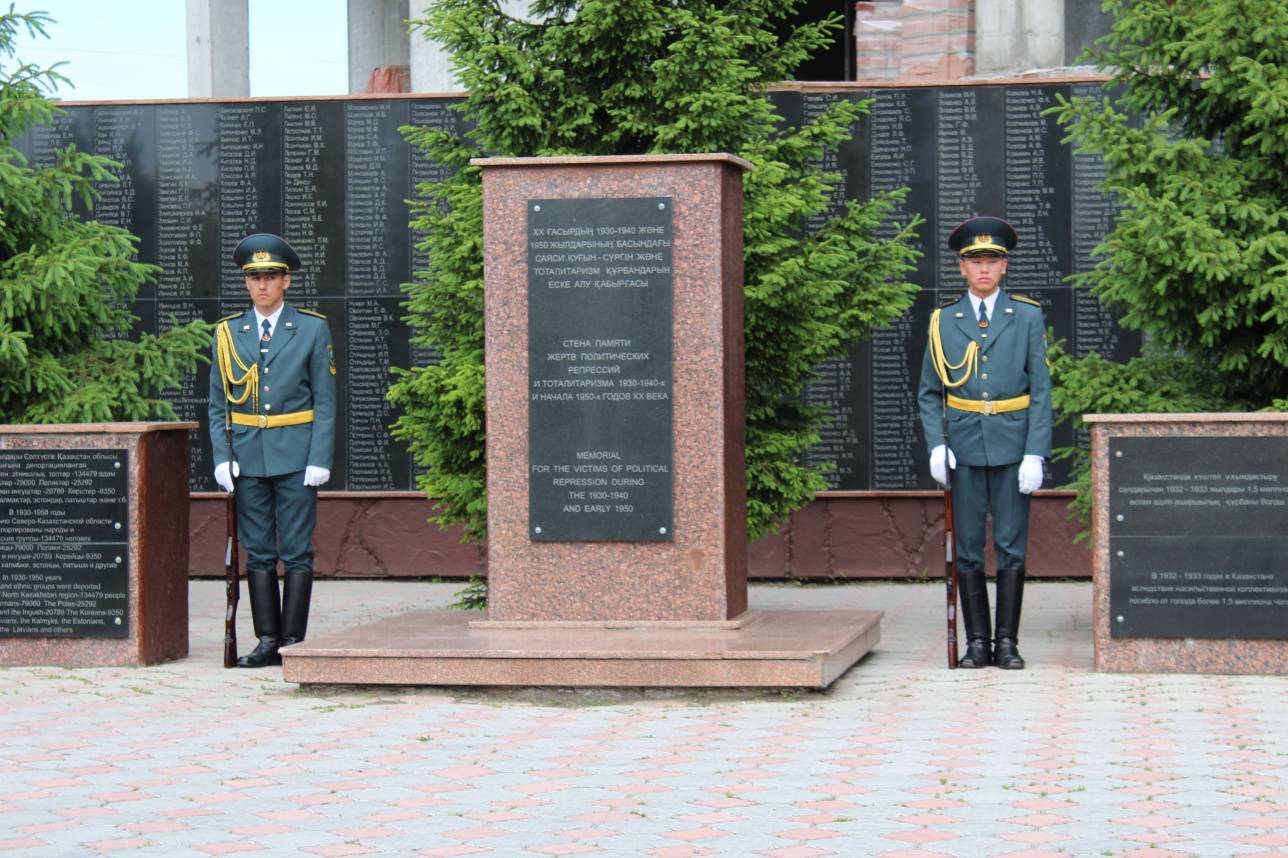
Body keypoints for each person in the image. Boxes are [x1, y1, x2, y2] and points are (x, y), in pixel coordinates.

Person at [917, 216, 1052, 669]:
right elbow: (930, 392)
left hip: (1013, 447)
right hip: (966, 448)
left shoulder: (1027, 316)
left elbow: (1041, 391)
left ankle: (1008, 643)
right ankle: (978, 643)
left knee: (1012, 545)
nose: (984, 269)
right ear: (961, 267)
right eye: (975, 261)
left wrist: (1035, 452)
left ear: (1005, 266)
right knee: (970, 546)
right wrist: (938, 444)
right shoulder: (943, 321)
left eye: (992, 260)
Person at [209, 233, 337, 668]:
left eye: (271, 277)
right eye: (255, 278)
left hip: (297, 455)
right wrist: (222, 456)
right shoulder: (228, 333)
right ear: (247, 283)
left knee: (297, 550)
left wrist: (319, 458)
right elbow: (218, 404)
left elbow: (325, 400)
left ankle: (293, 640)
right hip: (248, 457)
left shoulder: (312, 329)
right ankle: (267, 640)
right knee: (259, 550)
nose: (262, 285)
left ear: (287, 282)